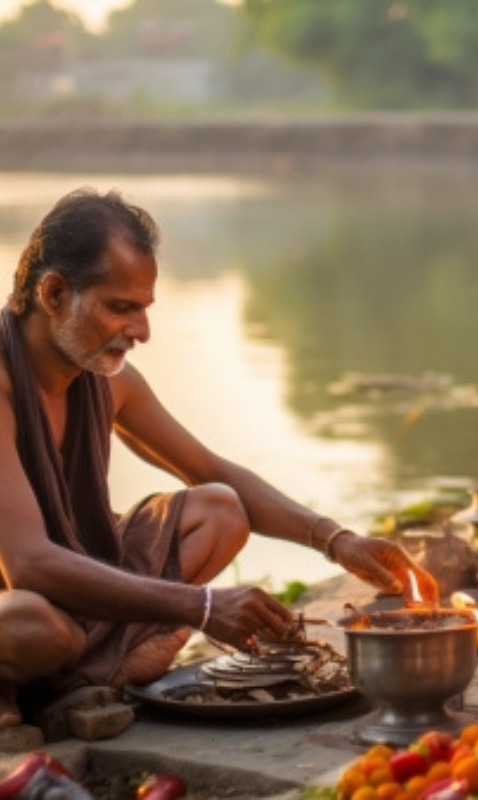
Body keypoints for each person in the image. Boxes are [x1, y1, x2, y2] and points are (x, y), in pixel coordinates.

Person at [0, 188, 438, 733]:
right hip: (21, 606)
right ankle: (65, 672)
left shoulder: (108, 383)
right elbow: (29, 566)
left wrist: (336, 540)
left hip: (74, 598)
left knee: (220, 510)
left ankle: (87, 671)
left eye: (144, 309)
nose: (141, 333)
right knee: (33, 629)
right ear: (54, 292)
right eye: (121, 308)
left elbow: (214, 472)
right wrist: (200, 607)